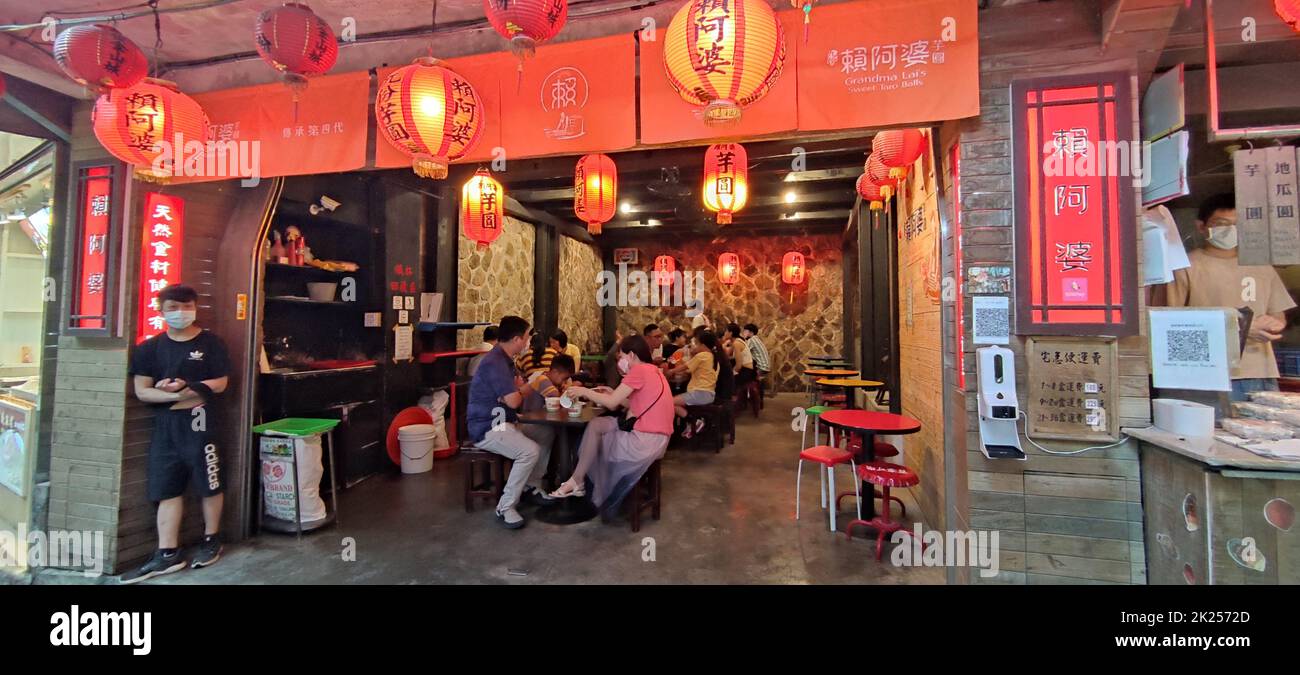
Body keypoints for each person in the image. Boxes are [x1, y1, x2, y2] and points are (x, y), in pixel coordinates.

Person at [121, 285, 230, 583]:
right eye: (173, 307)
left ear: (194, 308)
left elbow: (220, 382)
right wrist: (177, 396)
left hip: (201, 422)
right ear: (161, 310)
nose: (180, 312)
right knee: (165, 487)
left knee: (209, 481)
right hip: (166, 426)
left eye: (186, 306)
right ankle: (168, 553)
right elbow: (142, 391)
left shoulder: (211, 344)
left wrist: (181, 391)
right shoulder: (149, 349)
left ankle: (212, 539)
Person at [1166, 193, 1297, 401]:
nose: (1230, 230)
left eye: (1237, 225)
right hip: (1207, 374)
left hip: (1260, 371)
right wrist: (1239, 328)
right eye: (1222, 223)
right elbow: (1169, 325)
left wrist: (1272, 325)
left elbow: (1278, 316)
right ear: (1202, 226)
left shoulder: (1261, 266)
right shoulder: (1184, 267)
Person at [548, 335, 674, 515]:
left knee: (595, 440)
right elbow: (633, 405)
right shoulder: (654, 370)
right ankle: (578, 480)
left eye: (621, 357)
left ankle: (582, 483)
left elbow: (612, 404)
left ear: (631, 354)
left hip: (644, 442)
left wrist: (584, 391)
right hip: (659, 439)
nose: (620, 361)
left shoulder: (639, 371)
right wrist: (613, 392)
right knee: (598, 425)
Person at [466, 315, 557, 529]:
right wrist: (532, 384)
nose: (527, 342)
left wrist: (516, 390)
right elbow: (515, 400)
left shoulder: (506, 360)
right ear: (517, 339)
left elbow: (511, 393)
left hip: (505, 422)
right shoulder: (495, 362)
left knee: (546, 432)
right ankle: (505, 506)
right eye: (526, 338)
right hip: (487, 427)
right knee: (530, 450)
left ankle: (530, 486)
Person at [669, 330, 725, 438]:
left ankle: (694, 422)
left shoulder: (702, 355)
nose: (695, 346)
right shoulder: (713, 356)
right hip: (708, 394)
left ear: (702, 345)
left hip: (700, 393)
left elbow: (685, 367)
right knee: (673, 401)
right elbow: (689, 370)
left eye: (697, 343)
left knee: (669, 403)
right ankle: (692, 423)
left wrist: (671, 371)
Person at [726, 322, 756, 388]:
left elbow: (738, 365)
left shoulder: (737, 343)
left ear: (730, 333)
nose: (725, 333)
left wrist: (732, 374)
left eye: (726, 331)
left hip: (746, 371)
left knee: (726, 379)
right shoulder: (736, 341)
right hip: (745, 370)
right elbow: (727, 356)